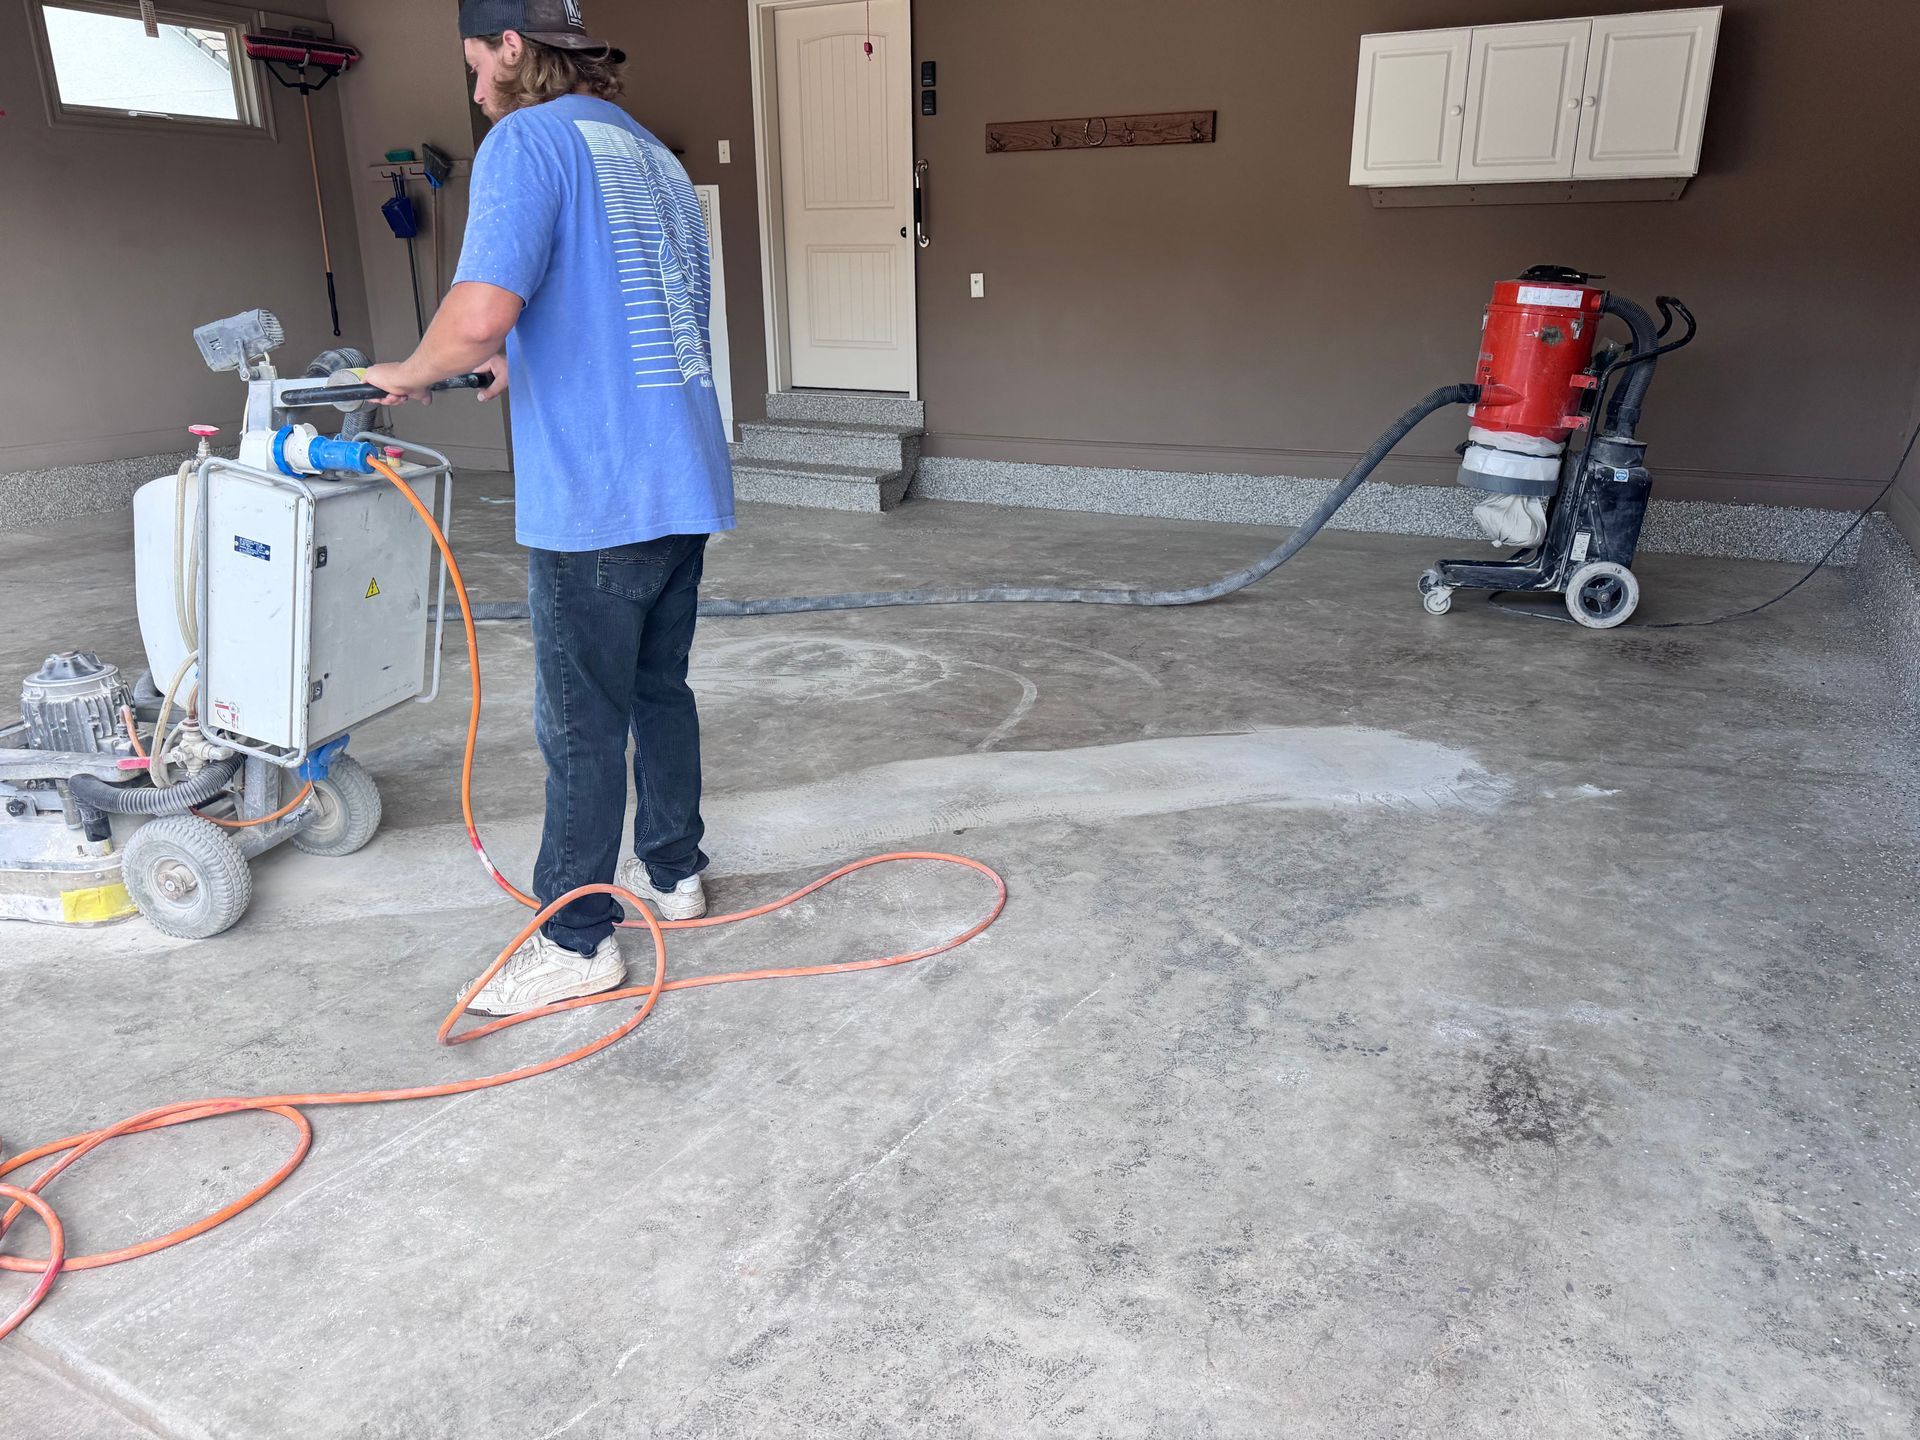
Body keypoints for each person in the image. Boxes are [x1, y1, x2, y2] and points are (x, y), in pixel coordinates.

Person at [363, 0, 734, 1017]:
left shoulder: (526, 141)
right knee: (660, 691)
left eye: (478, 67)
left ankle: (577, 940)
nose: (477, 93)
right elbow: (626, 310)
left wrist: (418, 365)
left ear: (514, 50)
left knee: (579, 721)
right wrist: (511, 366)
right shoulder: (650, 155)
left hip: (601, 490)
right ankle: (675, 872)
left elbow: (482, 308)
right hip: (681, 475)